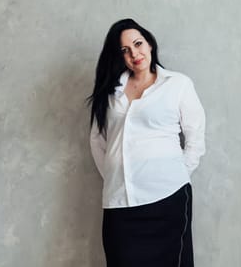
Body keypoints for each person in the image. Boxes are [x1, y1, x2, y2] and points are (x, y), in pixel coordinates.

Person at [86, 18, 206, 267]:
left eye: (138, 44)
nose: (134, 54)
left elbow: (195, 137)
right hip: (120, 202)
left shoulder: (177, 84)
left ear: (150, 44)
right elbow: (98, 141)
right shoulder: (110, 93)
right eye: (125, 50)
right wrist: (114, 174)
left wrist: (177, 174)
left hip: (168, 198)